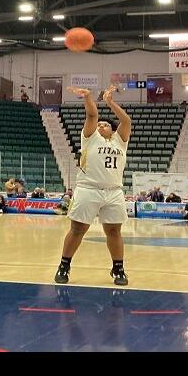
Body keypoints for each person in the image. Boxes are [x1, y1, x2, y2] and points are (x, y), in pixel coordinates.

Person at [54, 85, 131, 286]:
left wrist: (111, 103)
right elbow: (91, 115)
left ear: (112, 130)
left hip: (113, 191)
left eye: (104, 124)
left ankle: (118, 268)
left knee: (114, 231)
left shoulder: (120, 141)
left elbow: (126, 120)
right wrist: (88, 97)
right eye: (99, 124)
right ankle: (64, 265)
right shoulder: (90, 138)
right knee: (78, 229)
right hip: (88, 189)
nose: (100, 126)